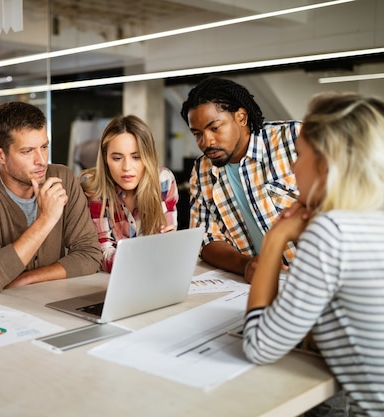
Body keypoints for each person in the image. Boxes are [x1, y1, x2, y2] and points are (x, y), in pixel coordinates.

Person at [242, 92, 384, 416]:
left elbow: (259, 346)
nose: (293, 165)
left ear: (326, 163)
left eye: (299, 154)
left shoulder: (333, 230)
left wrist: (276, 238)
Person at [0, 101, 101, 294]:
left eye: (44, 147)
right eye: (27, 151)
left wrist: (27, 279)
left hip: (47, 301)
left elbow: (90, 255)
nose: (41, 160)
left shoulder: (62, 178)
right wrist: (46, 219)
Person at [180, 77, 301, 283]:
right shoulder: (202, 170)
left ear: (242, 117)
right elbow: (206, 238)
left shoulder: (294, 138)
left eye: (215, 128)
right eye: (197, 134)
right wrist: (245, 265)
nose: (206, 142)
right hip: (259, 286)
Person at [80, 114, 178, 272]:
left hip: (154, 275)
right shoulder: (95, 188)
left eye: (136, 157)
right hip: (109, 281)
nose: (127, 167)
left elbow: (168, 245)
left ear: (148, 156)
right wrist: (150, 256)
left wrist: (169, 242)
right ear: (105, 158)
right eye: (117, 158)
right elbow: (103, 253)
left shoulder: (163, 182)